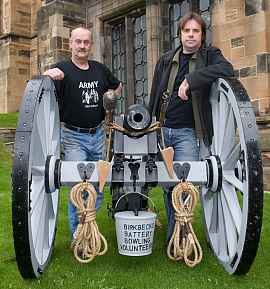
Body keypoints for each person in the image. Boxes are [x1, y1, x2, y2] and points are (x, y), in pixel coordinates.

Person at [148, 12, 235, 250]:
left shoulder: (210, 55)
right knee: (168, 187)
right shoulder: (166, 59)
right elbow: (155, 95)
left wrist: (192, 79)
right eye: (187, 30)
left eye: (196, 31)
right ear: (180, 34)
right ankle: (175, 238)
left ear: (202, 35)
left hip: (188, 132)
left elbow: (228, 69)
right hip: (164, 130)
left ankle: (182, 239)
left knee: (184, 187)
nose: (191, 34)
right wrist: (149, 128)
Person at [43, 26, 122, 242]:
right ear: (70, 44)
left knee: (98, 186)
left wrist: (109, 104)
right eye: (78, 41)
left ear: (91, 46)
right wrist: (46, 74)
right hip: (73, 136)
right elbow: (39, 88)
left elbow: (117, 86)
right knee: (79, 187)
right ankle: (79, 238)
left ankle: (90, 229)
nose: (82, 46)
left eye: (86, 42)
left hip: (97, 135)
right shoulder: (61, 70)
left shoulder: (100, 70)